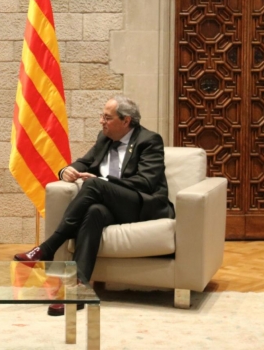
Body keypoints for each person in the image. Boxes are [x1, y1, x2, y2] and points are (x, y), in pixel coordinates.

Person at [13, 94, 174, 316]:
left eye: (107, 117)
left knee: (94, 186)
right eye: (102, 116)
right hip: (111, 206)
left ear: (126, 121)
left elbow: (146, 182)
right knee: (94, 212)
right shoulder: (104, 138)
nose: (101, 121)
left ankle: (48, 247)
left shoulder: (149, 140)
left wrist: (104, 182)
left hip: (142, 205)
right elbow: (85, 162)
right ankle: (78, 290)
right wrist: (65, 171)